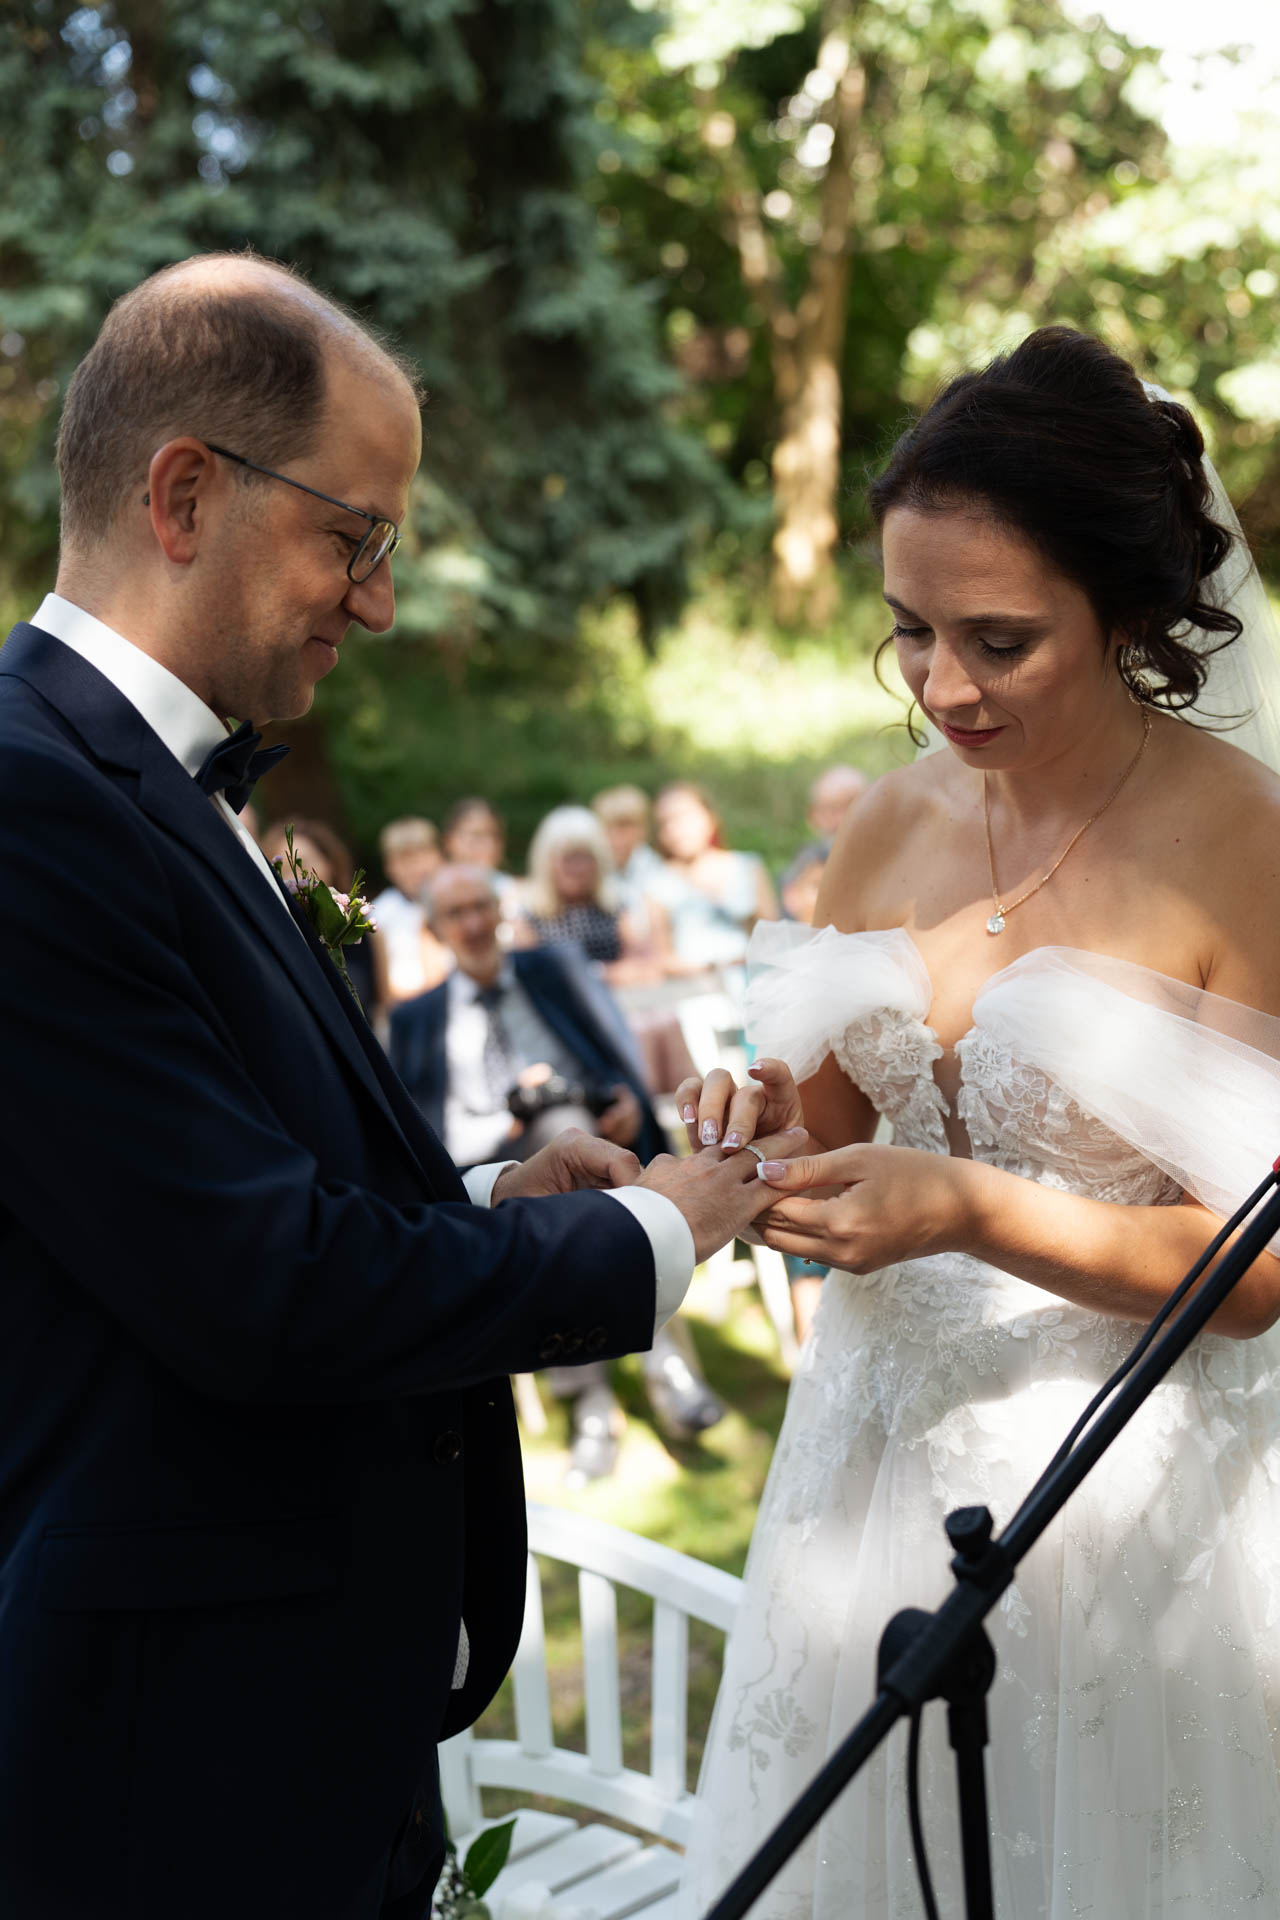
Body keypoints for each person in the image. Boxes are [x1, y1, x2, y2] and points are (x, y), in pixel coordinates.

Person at [0, 251, 799, 1920]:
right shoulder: (31, 799)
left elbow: (223, 1192)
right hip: (177, 1775)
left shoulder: (154, 776)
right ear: (185, 492)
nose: (377, 601)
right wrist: (654, 1231)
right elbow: (262, 1290)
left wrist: (479, 1207)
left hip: (303, 1733)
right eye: (355, 539)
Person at [677, 328, 1280, 1916]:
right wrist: (749, 1127)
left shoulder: (1243, 837)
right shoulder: (890, 816)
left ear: (1129, 611)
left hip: (1121, 1504)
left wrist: (966, 1209)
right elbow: (808, 1120)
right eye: (911, 634)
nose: (944, 687)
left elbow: (1267, 1266)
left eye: (1000, 641)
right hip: (865, 1478)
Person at [390, 865, 724, 1479]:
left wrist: (624, 1101)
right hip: (486, 1171)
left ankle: (591, 1399)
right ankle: (660, 1361)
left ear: (500, 911)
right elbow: (417, 1132)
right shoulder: (417, 1019)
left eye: (479, 907)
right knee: (558, 1147)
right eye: (455, 914)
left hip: (593, 1141)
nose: (471, 924)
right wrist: (509, 1133)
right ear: (435, 929)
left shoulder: (557, 968)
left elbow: (615, 1049)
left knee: (567, 1132)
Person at [260, 814, 390, 1019]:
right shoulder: (269, 937)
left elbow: (385, 1007)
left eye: (306, 863)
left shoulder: (362, 930)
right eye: (282, 869)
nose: (296, 877)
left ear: (330, 863)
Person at [522, 803, 666, 986]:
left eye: (585, 857)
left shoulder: (616, 906)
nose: (578, 868)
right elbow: (533, 977)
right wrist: (605, 973)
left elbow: (646, 967)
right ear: (547, 861)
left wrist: (591, 974)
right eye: (568, 858)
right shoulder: (530, 915)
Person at [650, 780, 778, 975]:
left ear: (709, 817)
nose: (676, 829)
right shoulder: (658, 883)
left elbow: (771, 934)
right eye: (666, 822)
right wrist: (710, 968)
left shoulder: (747, 867)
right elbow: (662, 957)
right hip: (694, 987)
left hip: (752, 978)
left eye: (684, 817)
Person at [371, 815, 452, 1002]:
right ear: (388, 867)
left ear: (439, 855)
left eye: (422, 855)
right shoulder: (379, 915)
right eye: (404, 860)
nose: (415, 868)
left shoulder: (459, 900)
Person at [804, 761, 867, 840]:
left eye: (851, 808)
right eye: (832, 810)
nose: (841, 819)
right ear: (814, 816)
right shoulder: (812, 852)